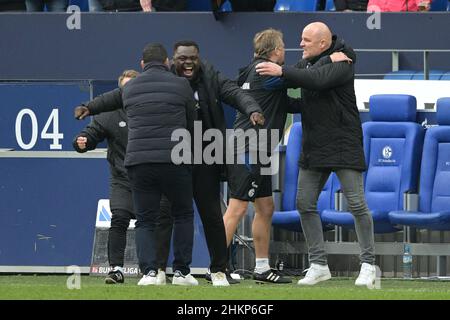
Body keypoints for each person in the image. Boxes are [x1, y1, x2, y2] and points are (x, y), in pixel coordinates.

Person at [74, 40, 264, 286]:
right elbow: (117, 96)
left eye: (192, 58)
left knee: (211, 216)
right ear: (172, 61)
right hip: (173, 157)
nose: (188, 62)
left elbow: (235, 93)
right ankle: (160, 271)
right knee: (165, 216)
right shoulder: (169, 81)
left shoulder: (211, 76)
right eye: (182, 58)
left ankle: (218, 270)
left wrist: (252, 109)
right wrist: (90, 106)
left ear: (199, 58)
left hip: (205, 155)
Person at [222, 28, 350, 284]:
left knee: (266, 207)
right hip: (249, 148)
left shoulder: (252, 70)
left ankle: (261, 268)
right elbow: (301, 76)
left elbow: (284, 103)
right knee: (237, 208)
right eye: (283, 47)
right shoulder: (264, 72)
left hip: (256, 149)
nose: (287, 51)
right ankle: (217, 267)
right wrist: (328, 59)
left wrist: (322, 104)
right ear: (276, 51)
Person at [255, 22, 377, 287]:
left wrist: (283, 70)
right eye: (301, 38)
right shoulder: (312, 62)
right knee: (305, 203)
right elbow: (291, 82)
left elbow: (316, 81)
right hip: (315, 145)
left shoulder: (343, 62)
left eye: (306, 40)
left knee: (356, 204)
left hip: (344, 143)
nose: (300, 44)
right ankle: (319, 264)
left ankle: (368, 265)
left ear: (323, 43)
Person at [76, 43, 198, 286]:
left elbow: (108, 100)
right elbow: (190, 121)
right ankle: (182, 273)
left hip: (139, 163)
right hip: (174, 159)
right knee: (183, 214)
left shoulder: (131, 88)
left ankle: (150, 273)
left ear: (142, 65)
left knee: (145, 219)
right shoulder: (182, 85)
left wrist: (87, 108)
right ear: (167, 62)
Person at [73, 69, 172, 285]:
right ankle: (116, 269)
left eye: (133, 87)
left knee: (159, 220)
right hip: (122, 179)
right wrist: (82, 141)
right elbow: (91, 133)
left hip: (153, 179)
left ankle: (157, 269)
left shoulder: (154, 112)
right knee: (119, 218)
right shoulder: (108, 114)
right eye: (124, 88)